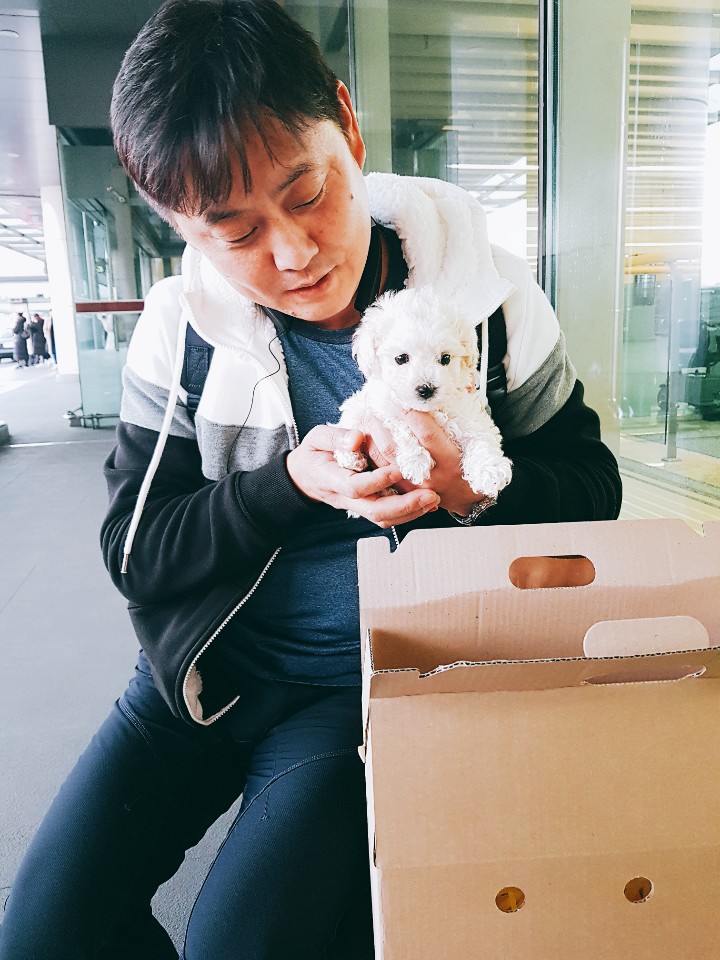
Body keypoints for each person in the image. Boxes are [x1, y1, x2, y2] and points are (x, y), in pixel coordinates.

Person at [0, 2, 622, 958]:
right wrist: (287, 485)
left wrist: (473, 491)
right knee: (43, 935)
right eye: (234, 230)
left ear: (349, 125)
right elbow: (136, 554)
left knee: (240, 942)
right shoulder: (179, 329)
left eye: (308, 192)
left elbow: (593, 488)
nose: (294, 254)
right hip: (198, 676)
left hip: (355, 691)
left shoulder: (489, 303)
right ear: (176, 223)